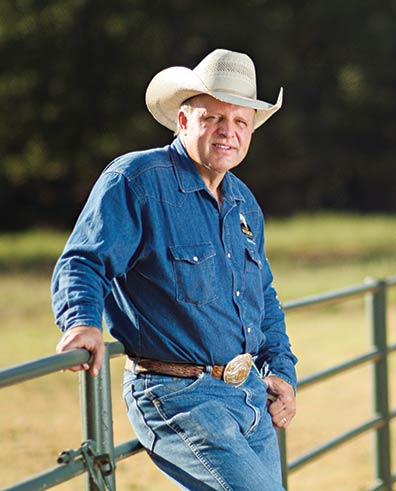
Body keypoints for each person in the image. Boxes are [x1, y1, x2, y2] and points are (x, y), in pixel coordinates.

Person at [51, 48, 297, 491]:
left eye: (240, 122)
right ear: (183, 121)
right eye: (213, 119)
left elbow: (263, 298)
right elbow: (85, 259)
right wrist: (81, 322)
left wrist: (280, 369)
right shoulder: (137, 181)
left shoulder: (244, 203)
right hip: (178, 396)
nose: (229, 132)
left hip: (248, 395)